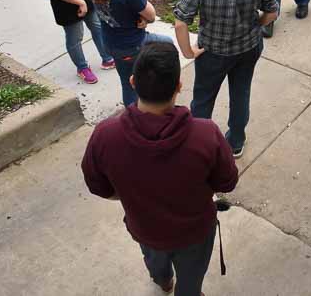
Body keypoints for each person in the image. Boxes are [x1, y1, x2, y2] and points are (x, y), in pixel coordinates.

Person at [82, 42, 238, 296]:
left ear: (132, 82)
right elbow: (227, 182)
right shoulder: (206, 134)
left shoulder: (105, 136)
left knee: (156, 264)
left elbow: (98, 186)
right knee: (191, 281)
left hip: (145, 229)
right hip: (195, 233)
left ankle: (164, 282)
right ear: (178, 86)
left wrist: (132, 194)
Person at [174, 0, 278, 158]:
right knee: (240, 93)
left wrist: (188, 51)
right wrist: (256, 24)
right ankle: (236, 142)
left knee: (203, 99)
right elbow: (272, 12)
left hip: (213, 52)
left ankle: (199, 145)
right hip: (248, 47)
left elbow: (180, 22)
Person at [90, 0, 173, 107]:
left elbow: (114, 10)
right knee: (168, 43)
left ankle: (132, 117)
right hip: (131, 45)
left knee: (127, 81)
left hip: (111, 43)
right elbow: (151, 15)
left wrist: (137, 17)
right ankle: (162, 89)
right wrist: (143, 18)